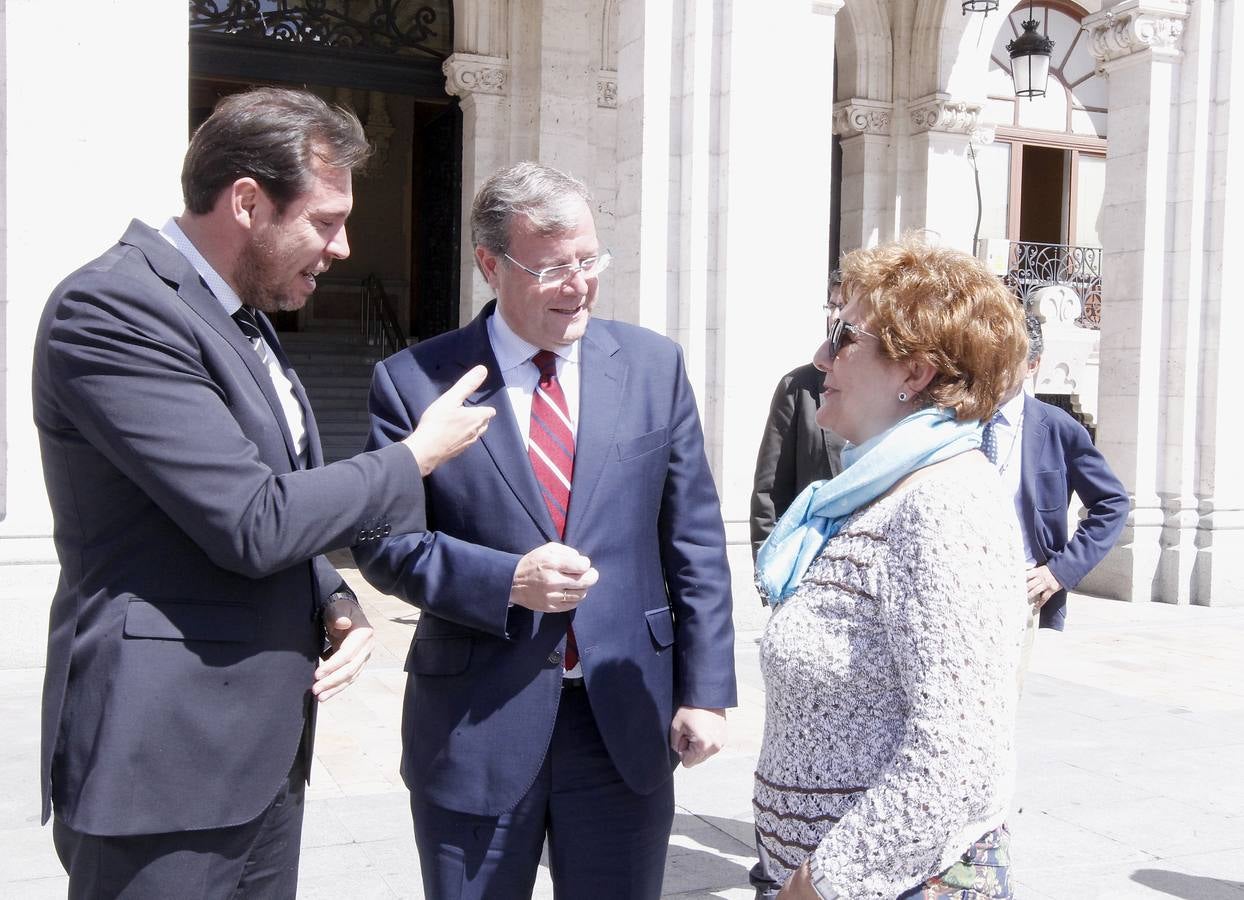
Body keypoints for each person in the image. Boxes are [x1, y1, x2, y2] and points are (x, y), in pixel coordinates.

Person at [33, 87, 494, 899]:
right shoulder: (112, 308)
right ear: (246, 201)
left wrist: (327, 591)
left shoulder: (241, 317)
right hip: (161, 761)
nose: (343, 247)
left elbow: (253, 494)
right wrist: (416, 456)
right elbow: (251, 521)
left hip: (261, 756)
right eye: (324, 221)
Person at [353, 161, 738, 898]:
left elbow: (693, 540)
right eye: (554, 268)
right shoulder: (415, 382)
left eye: (590, 260)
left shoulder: (654, 366)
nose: (580, 284)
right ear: (491, 265)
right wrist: (507, 583)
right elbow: (384, 543)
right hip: (475, 725)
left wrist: (707, 690)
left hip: (622, 724)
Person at [750, 235, 1029, 899]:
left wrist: (822, 882)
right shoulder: (873, 489)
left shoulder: (945, 503)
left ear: (916, 373)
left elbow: (956, 752)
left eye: (843, 335)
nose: (821, 356)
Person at [982, 315, 1128, 636]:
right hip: (957, 584)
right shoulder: (955, 420)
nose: (993, 366)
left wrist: (1059, 572)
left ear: (1032, 364)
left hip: (1021, 593)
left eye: (1007, 358)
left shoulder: (1059, 429)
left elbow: (1112, 503)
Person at [749, 271, 846, 563]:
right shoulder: (799, 387)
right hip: (811, 567)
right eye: (832, 306)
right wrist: (770, 571)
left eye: (846, 306)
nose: (835, 316)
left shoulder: (895, 395)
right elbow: (769, 493)